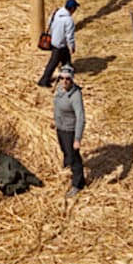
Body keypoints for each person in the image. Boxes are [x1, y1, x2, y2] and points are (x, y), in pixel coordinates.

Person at [52, 64, 87, 197]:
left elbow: (81, 118)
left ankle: (78, 184)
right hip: (60, 127)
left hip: (70, 130)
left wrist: (77, 139)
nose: (64, 81)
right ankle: (68, 168)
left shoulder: (75, 95)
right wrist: (55, 120)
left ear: (72, 80)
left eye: (67, 79)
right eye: (62, 78)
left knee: (74, 157)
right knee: (65, 151)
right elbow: (57, 107)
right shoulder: (60, 89)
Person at [38, 0, 79, 87]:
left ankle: (67, 74)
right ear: (72, 9)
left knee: (66, 60)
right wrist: (72, 46)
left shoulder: (57, 12)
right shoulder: (68, 20)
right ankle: (44, 80)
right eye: (75, 8)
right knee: (53, 63)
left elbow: (50, 22)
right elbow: (69, 36)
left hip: (54, 41)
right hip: (60, 45)